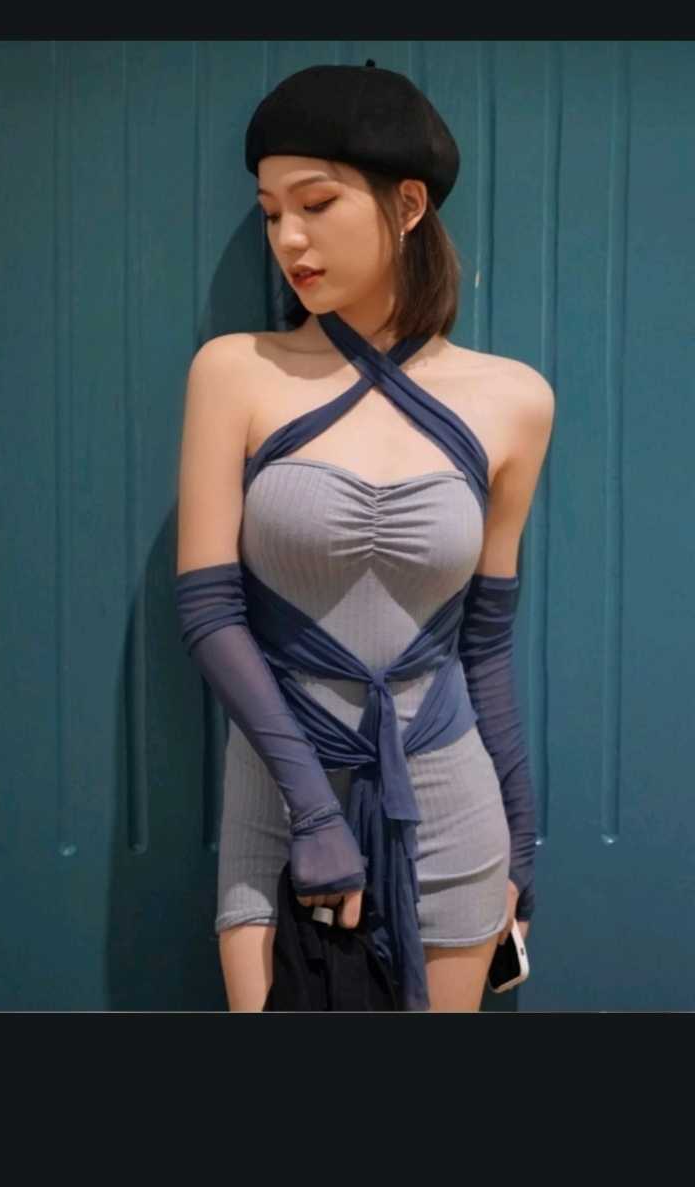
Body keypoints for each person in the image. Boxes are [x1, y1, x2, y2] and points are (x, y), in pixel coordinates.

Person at [175, 61, 555, 1012]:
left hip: (450, 804)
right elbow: (210, 613)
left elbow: (485, 643)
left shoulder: (515, 399)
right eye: (271, 212)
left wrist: (522, 836)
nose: (287, 238)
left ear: (409, 205)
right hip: (279, 799)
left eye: (315, 203)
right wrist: (314, 814)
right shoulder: (235, 372)